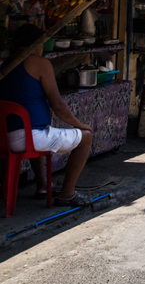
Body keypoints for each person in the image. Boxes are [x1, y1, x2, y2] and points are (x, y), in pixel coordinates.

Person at [0, 25, 93, 206]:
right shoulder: (40, 63)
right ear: (38, 44)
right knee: (86, 137)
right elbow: (57, 104)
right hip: (26, 137)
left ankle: (43, 186)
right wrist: (80, 124)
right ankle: (67, 194)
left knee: (40, 132)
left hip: (4, 138)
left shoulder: (5, 63)